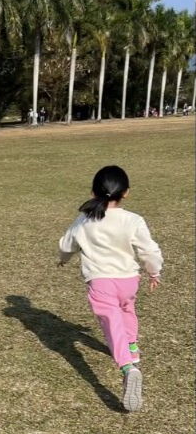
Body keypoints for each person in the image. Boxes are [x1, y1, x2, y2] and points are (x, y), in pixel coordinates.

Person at [58, 166, 163, 412]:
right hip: (128, 280)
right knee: (127, 309)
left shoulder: (84, 219)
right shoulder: (133, 219)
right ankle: (133, 347)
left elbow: (67, 244)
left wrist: (62, 259)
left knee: (111, 321)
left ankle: (128, 367)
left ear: (93, 192)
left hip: (100, 281)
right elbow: (149, 250)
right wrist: (154, 271)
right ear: (126, 193)